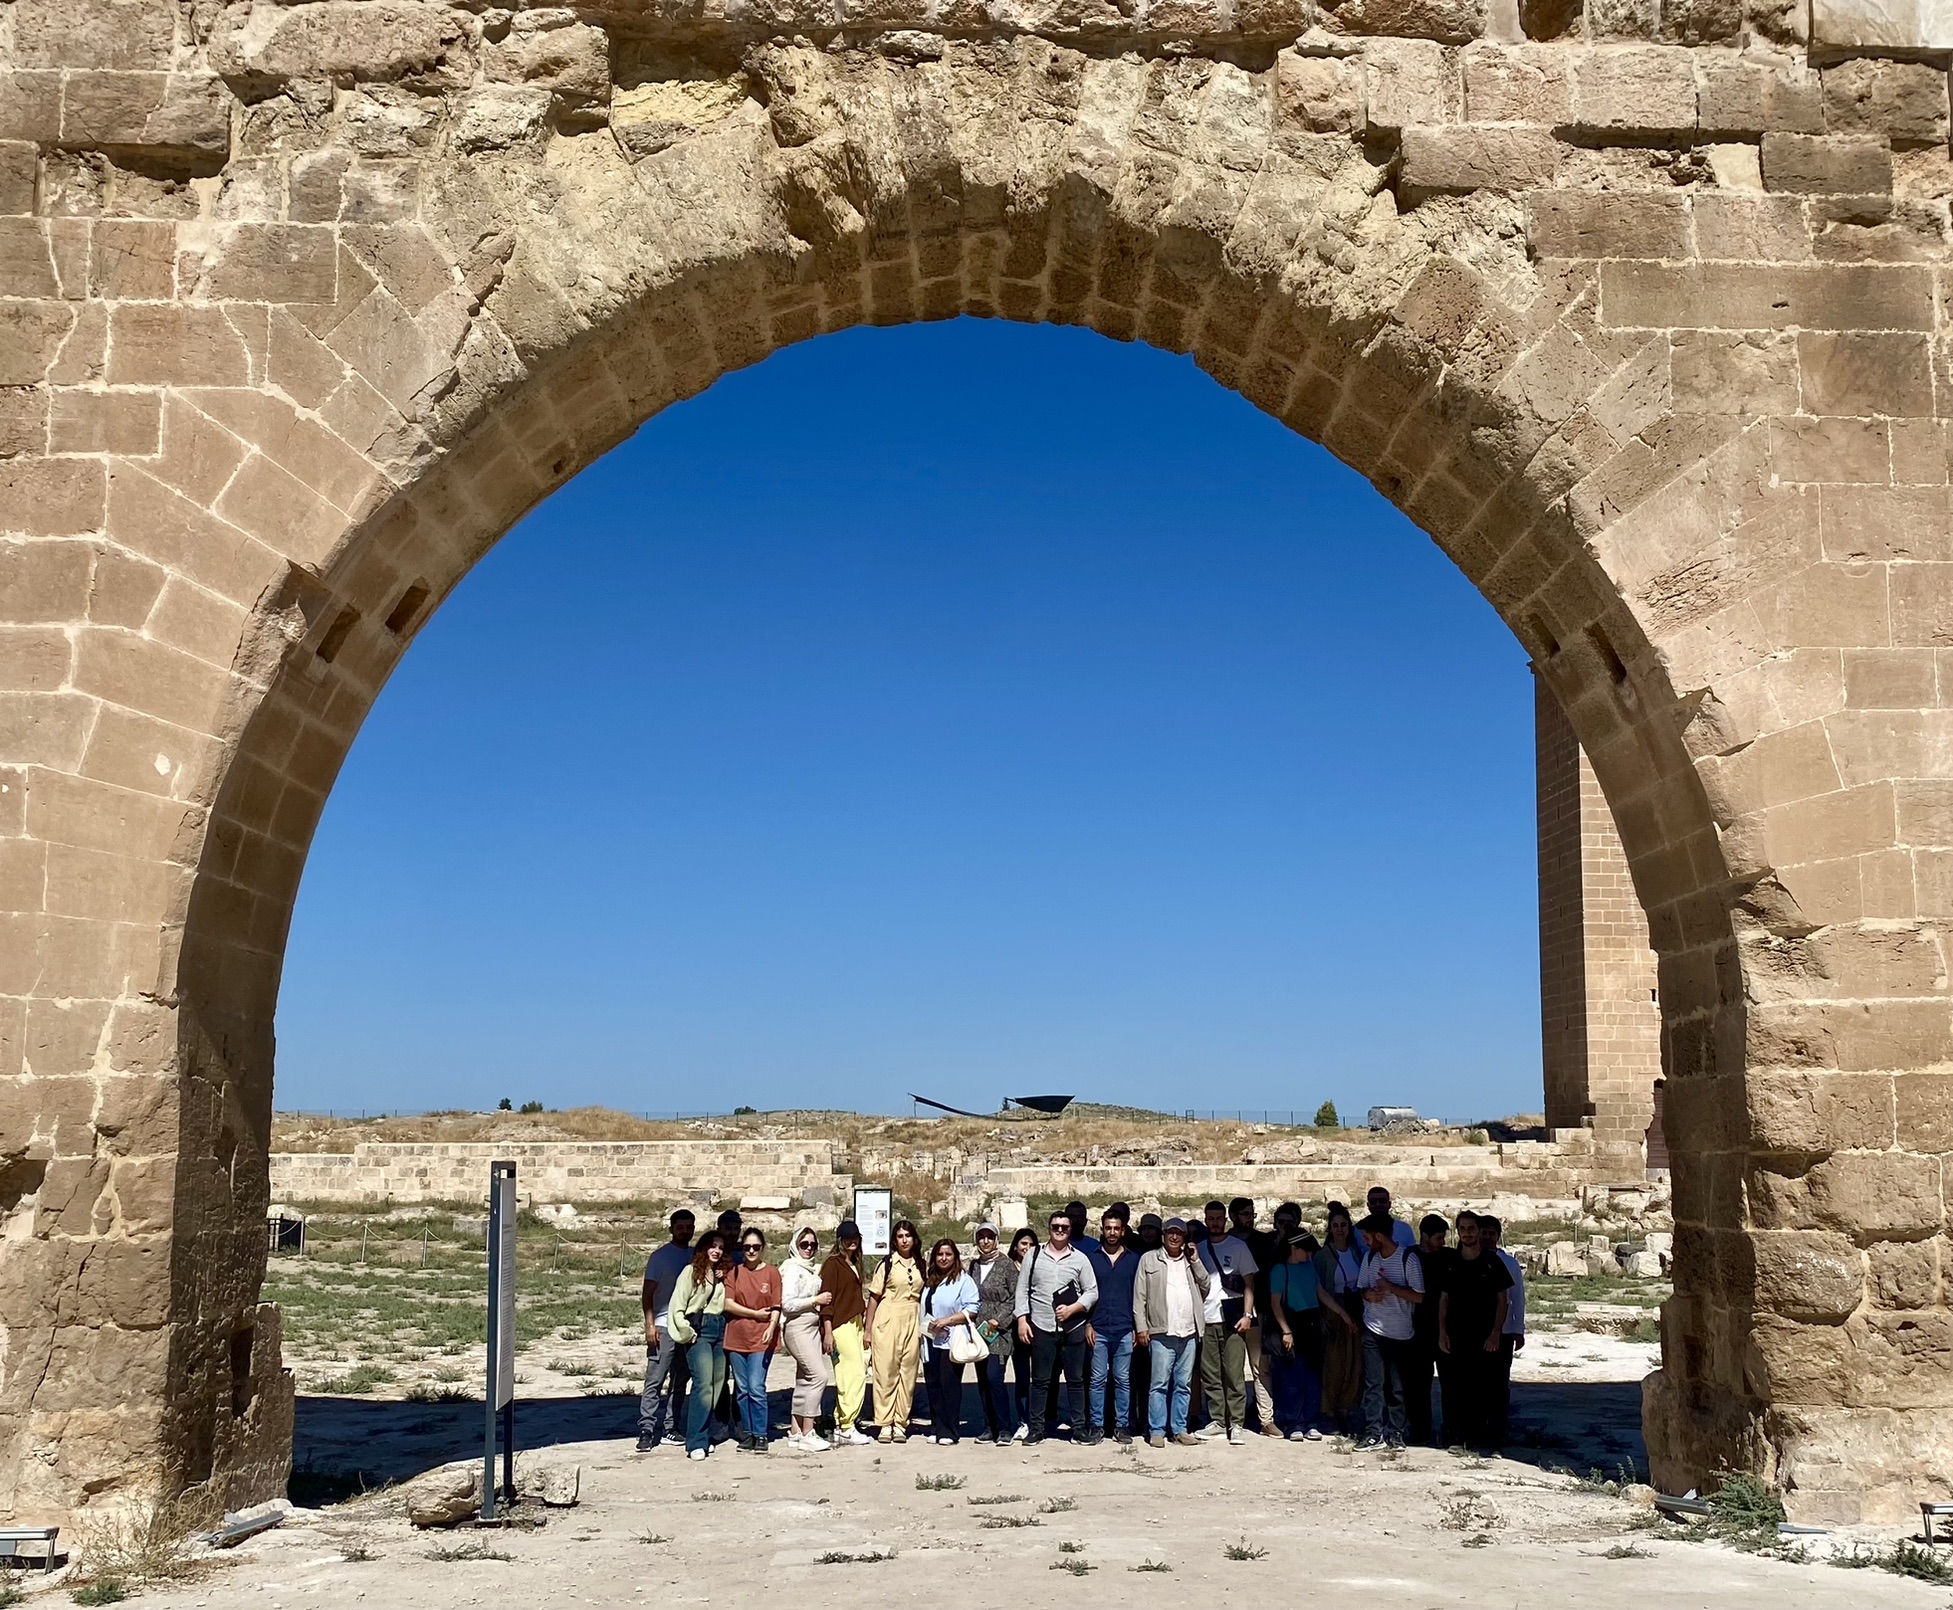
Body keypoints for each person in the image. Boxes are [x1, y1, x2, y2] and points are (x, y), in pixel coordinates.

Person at [1015, 1208, 1099, 1443]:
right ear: (1049, 1229)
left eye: (1064, 1227)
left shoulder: (1080, 1259)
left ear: (1070, 1230)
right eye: (1056, 1227)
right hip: (1041, 1325)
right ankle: (1037, 1428)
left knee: (1076, 1381)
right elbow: (1022, 1289)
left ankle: (1079, 1428)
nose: (1060, 1231)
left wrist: (1074, 1308)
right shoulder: (1033, 1256)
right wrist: (1022, 1319)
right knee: (1040, 1381)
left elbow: (1092, 1291)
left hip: (1072, 1328)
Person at [1439, 1210, 1514, 1452]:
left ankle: (1486, 1437)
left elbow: (1503, 1300)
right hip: (1457, 1335)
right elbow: (1444, 1300)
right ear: (1458, 1232)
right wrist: (1442, 1332)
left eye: (1472, 1228)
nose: (1468, 1233)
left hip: (1485, 1337)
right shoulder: (1451, 1262)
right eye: (1463, 1229)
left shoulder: (1493, 1262)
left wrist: (1496, 1332)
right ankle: (1461, 1436)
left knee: (1485, 1387)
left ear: (1479, 1231)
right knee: (1458, 1387)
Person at [1133, 1215, 1208, 1447]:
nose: (1174, 1237)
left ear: (1185, 1237)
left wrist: (1196, 1260)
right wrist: (1142, 1327)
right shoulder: (1148, 1259)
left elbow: (1206, 1285)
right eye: (1170, 1233)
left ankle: (1179, 1429)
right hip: (1161, 1332)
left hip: (1189, 1331)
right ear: (1163, 1235)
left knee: (1183, 1384)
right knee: (1159, 1384)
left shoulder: (1190, 1261)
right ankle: (1157, 1430)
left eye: (1179, 1233)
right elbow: (1139, 1296)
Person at [1355, 1211, 1425, 1449]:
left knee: (1397, 1387)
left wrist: (1390, 1288)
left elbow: (1419, 1297)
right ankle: (1373, 1432)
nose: (1365, 1242)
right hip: (1373, 1329)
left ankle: (1395, 1432)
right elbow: (1361, 1287)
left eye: (1367, 1237)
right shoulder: (1369, 1258)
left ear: (1378, 1236)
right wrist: (1368, 1295)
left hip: (1400, 1333)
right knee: (1373, 1385)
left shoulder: (1408, 1259)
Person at [1194, 1199, 1258, 1444]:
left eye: (1218, 1219)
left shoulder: (1238, 1247)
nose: (1215, 1223)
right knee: (1211, 1374)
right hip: (1206, 1318)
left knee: (1234, 1373)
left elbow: (1249, 1283)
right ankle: (1218, 1421)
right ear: (1205, 1220)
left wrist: (1247, 1315)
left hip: (1233, 1319)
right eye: (1210, 1219)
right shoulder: (1198, 1249)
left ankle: (1237, 1423)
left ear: (1225, 1219)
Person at [636, 1208, 695, 1451]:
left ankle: (671, 1426)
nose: (684, 1231)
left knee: (680, 1381)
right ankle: (647, 1429)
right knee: (655, 1380)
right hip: (662, 1325)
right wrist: (650, 1325)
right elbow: (648, 1293)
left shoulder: (695, 1255)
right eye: (680, 1227)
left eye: (688, 1227)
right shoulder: (660, 1257)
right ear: (671, 1229)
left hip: (686, 1327)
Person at [669, 1231, 731, 1461]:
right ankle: (695, 1441)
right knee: (703, 1384)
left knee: (717, 1383)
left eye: (721, 1247)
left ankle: (705, 1434)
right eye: (713, 1246)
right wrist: (686, 1332)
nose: (717, 1251)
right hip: (700, 1330)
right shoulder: (690, 1272)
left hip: (719, 1328)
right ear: (703, 1248)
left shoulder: (721, 1275)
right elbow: (677, 1304)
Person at [865, 1219, 927, 1443]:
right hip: (888, 1316)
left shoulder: (921, 1264)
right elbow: (874, 1297)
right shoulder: (887, 1264)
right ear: (894, 1240)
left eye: (908, 1236)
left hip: (912, 1317)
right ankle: (884, 1423)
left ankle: (901, 1422)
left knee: (908, 1373)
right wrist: (868, 1329)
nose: (904, 1240)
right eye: (900, 1236)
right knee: (886, 1372)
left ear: (914, 1239)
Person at [1232, 1197, 1288, 1438]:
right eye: (1245, 1214)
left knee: (1260, 1367)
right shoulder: (1225, 1241)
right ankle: (1231, 1417)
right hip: (1230, 1310)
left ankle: (1266, 1419)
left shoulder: (1264, 1241)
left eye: (1251, 1214)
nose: (1249, 1218)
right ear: (1233, 1216)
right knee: (1232, 1367)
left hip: (1259, 1310)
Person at [725, 1228, 783, 1451]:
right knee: (742, 1389)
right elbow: (728, 1303)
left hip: (762, 1337)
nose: (751, 1251)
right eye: (747, 1247)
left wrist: (771, 1326)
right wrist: (755, 1314)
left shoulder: (772, 1273)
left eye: (755, 1247)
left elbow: (777, 1304)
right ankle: (747, 1433)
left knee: (756, 1386)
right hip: (737, 1337)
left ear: (762, 1248)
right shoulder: (734, 1272)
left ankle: (760, 1434)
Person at [1087, 1206, 1140, 1442]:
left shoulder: (1133, 1260)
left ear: (1123, 1231)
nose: (1112, 1232)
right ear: (1102, 1229)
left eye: (1116, 1228)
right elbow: (1085, 1293)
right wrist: (1088, 1324)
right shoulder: (1092, 1259)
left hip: (1125, 1328)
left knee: (1123, 1380)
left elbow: (1139, 1295)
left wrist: (1138, 1327)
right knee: (1097, 1380)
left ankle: (1122, 1426)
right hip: (1098, 1328)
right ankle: (1097, 1425)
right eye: (1108, 1228)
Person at [921, 1238, 981, 1445]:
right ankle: (937, 1427)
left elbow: (972, 1308)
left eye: (948, 1254)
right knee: (933, 1384)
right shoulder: (931, 1281)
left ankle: (950, 1431)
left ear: (955, 1256)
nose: (944, 1258)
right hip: (930, 1340)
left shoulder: (963, 1281)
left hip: (951, 1340)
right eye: (940, 1254)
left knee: (949, 1385)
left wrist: (947, 1321)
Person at [820, 1220, 873, 1446]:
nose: (852, 1241)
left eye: (855, 1237)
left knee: (859, 1369)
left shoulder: (854, 1263)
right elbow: (827, 1300)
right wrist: (828, 1331)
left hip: (855, 1322)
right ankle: (845, 1425)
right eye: (848, 1238)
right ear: (840, 1240)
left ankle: (845, 1420)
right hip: (840, 1325)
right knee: (850, 1373)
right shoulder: (833, 1265)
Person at [780, 1227, 833, 1451]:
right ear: (795, 1246)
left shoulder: (811, 1269)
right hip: (797, 1325)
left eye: (813, 1245)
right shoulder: (792, 1269)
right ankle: (808, 1431)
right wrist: (815, 1300)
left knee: (804, 1379)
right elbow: (787, 1303)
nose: (809, 1249)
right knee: (819, 1376)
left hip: (811, 1326)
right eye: (804, 1244)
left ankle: (795, 1430)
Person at [1268, 1229, 1323, 1440]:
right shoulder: (1280, 1270)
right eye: (1306, 1251)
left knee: (1313, 1377)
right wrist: (1286, 1331)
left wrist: (1342, 1314)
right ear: (1294, 1248)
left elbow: (1320, 1293)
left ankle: (1311, 1422)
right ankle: (1293, 1423)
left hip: (1312, 1323)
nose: (1309, 1255)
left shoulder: (1309, 1267)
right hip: (1293, 1324)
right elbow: (1275, 1303)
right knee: (1293, 1378)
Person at [1317, 1202, 1365, 1434]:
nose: (1339, 1229)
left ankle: (1347, 1408)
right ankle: (1329, 1409)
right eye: (1335, 1225)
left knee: (1355, 1362)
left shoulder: (1356, 1252)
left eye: (1343, 1225)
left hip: (1355, 1310)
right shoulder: (1323, 1256)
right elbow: (1318, 1287)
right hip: (1333, 1311)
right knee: (1334, 1363)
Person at [1406, 1215, 1452, 1446]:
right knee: (1418, 1386)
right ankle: (1420, 1431)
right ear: (1424, 1236)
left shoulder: (1449, 1256)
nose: (1442, 1242)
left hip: (1446, 1329)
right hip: (1417, 1330)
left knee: (1451, 1383)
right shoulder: (1409, 1256)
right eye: (1438, 1238)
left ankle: (1452, 1430)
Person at [970, 1225, 1018, 1443]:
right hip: (978, 1329)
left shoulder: (1006, 1265)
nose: (986, 1241)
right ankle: (988, 1426)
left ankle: (1004, 1428)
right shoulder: (974, 1266)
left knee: (994, 1378)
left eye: (990, 1237)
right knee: (982, 1379)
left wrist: (999, 1319)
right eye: (981, 1237)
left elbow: (1014, 1297)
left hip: (998, 1331)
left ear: (997, 1239)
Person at [1484, 1215, 1525, 1449]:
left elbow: (1517, 1298)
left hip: (1506, 1331)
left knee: (1499, 1383)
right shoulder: (1470, 1259)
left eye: (1492, 1233)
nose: (1487, 1237)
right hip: (1476, 1331)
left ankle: (1498, 1431)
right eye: (1484, 1233)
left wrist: (1518, 1329)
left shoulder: (1509, 1263)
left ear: (1498, 1236)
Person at [1003, 1227, 1039, 1439]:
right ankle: (1023, 1420)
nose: (1027, 1248)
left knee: (1042, 1378)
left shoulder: (1041, 1265)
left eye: (1031, 1244)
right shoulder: (1008, 1268)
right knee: (1022, 1377)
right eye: (1024, 1243)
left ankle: (1040, 1419)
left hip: (1039, 1327)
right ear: (1015, 1246)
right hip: (1015, 1329)